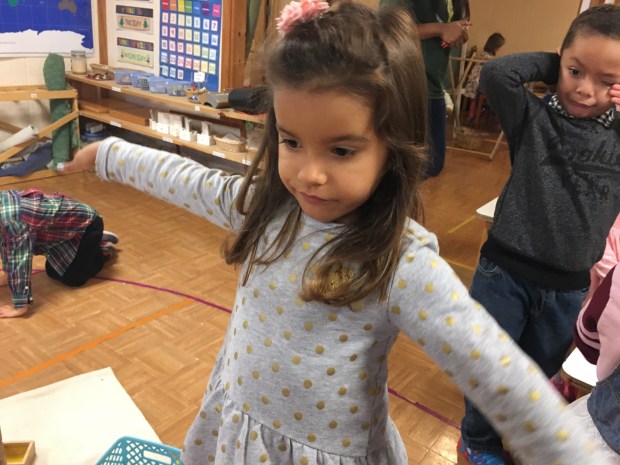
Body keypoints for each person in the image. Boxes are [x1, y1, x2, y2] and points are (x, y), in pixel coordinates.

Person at [61, 1, 613, 464]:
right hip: (238, 430)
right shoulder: (265, 210)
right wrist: (109, 154)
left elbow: (498, 373)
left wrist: (576, 456)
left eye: (342, 150)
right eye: (292, 142)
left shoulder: (401, 262)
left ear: (392, 147)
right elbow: (186, 179)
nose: (310, 174)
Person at [459, 5, 620, 465]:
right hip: (504, 273)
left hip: (567, 287)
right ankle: (478, 441)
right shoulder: (533, 117)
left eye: (604, 81)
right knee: (488, 367)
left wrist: (581, 65)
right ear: (559, 61)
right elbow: (496, 74)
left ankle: (513, 430)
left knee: (536, 373)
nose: (584, 89)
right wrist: (560, 64)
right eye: (575, 72)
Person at [0, 188, 118, 318]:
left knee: (73, 279)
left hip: (87, 226)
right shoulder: (5, 215)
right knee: (53, 272)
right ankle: (93, 244)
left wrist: (20, 305)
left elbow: (20, 259)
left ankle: (101, 249)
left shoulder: (12, 219)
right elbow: (5, 241)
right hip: (62, 233)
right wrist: (7, 273)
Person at [400, 0, 471, 177]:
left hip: (433, 86)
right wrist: (441, 29)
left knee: (431, 165)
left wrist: (453, 33)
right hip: (405, 87)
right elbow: (387, 28)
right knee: (405, 167)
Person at [463, 32, 506, 125]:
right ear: (495, 46)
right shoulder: (487, 57)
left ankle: (475, 116)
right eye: (499, 47)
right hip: (477, 83)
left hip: (475, 83)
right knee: (495, 95)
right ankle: (478, 117)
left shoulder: (484, 55)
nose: (499, 49)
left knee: (477, 99)